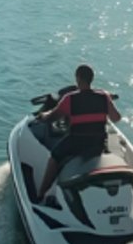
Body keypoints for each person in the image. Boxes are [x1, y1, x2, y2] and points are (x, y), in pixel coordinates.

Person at [33, 63, 121, 202]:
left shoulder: (70, 99)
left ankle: (41, 194)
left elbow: (52, 117)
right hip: (98, 143)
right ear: (92, 79)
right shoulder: (103, 97)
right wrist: (106, 103)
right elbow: (116, 118)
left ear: (78, 79)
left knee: (54, 157)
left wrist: (42, 115)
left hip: (76, 142)